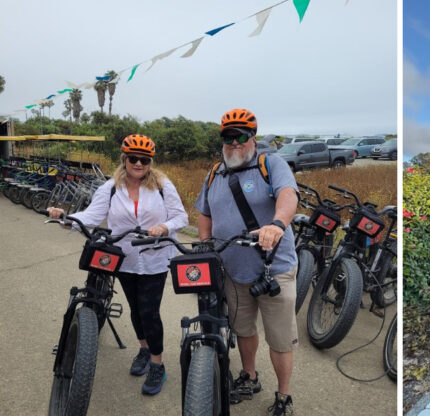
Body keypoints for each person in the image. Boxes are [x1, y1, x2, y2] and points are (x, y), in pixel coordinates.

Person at [47, 134, 188, 395]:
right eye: (133, 158)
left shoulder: (162, 185)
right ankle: (144, 349)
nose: (138, 163)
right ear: (124, 159)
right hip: (125, 259)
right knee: (135, 308)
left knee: (149, 311)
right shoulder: (111, 187)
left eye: (144, 160)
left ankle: (158, 365)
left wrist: (164, 227)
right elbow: (91, 216)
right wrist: (65, 217)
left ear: (150, 162)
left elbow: (181, 216)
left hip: (156, 257)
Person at [195, 108, 299, 416]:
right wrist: (204, 244)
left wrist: (277, 225)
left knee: (280, 339)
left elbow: (288, 195)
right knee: (243, 330)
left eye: (241, 136)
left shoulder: (271, 164)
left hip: (273, 270)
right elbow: (204, 213)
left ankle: (284, 396)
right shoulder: (215, 173)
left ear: (252, 138)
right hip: (233, 271)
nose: (234, 143)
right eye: (228, 137)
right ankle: (250, 376)